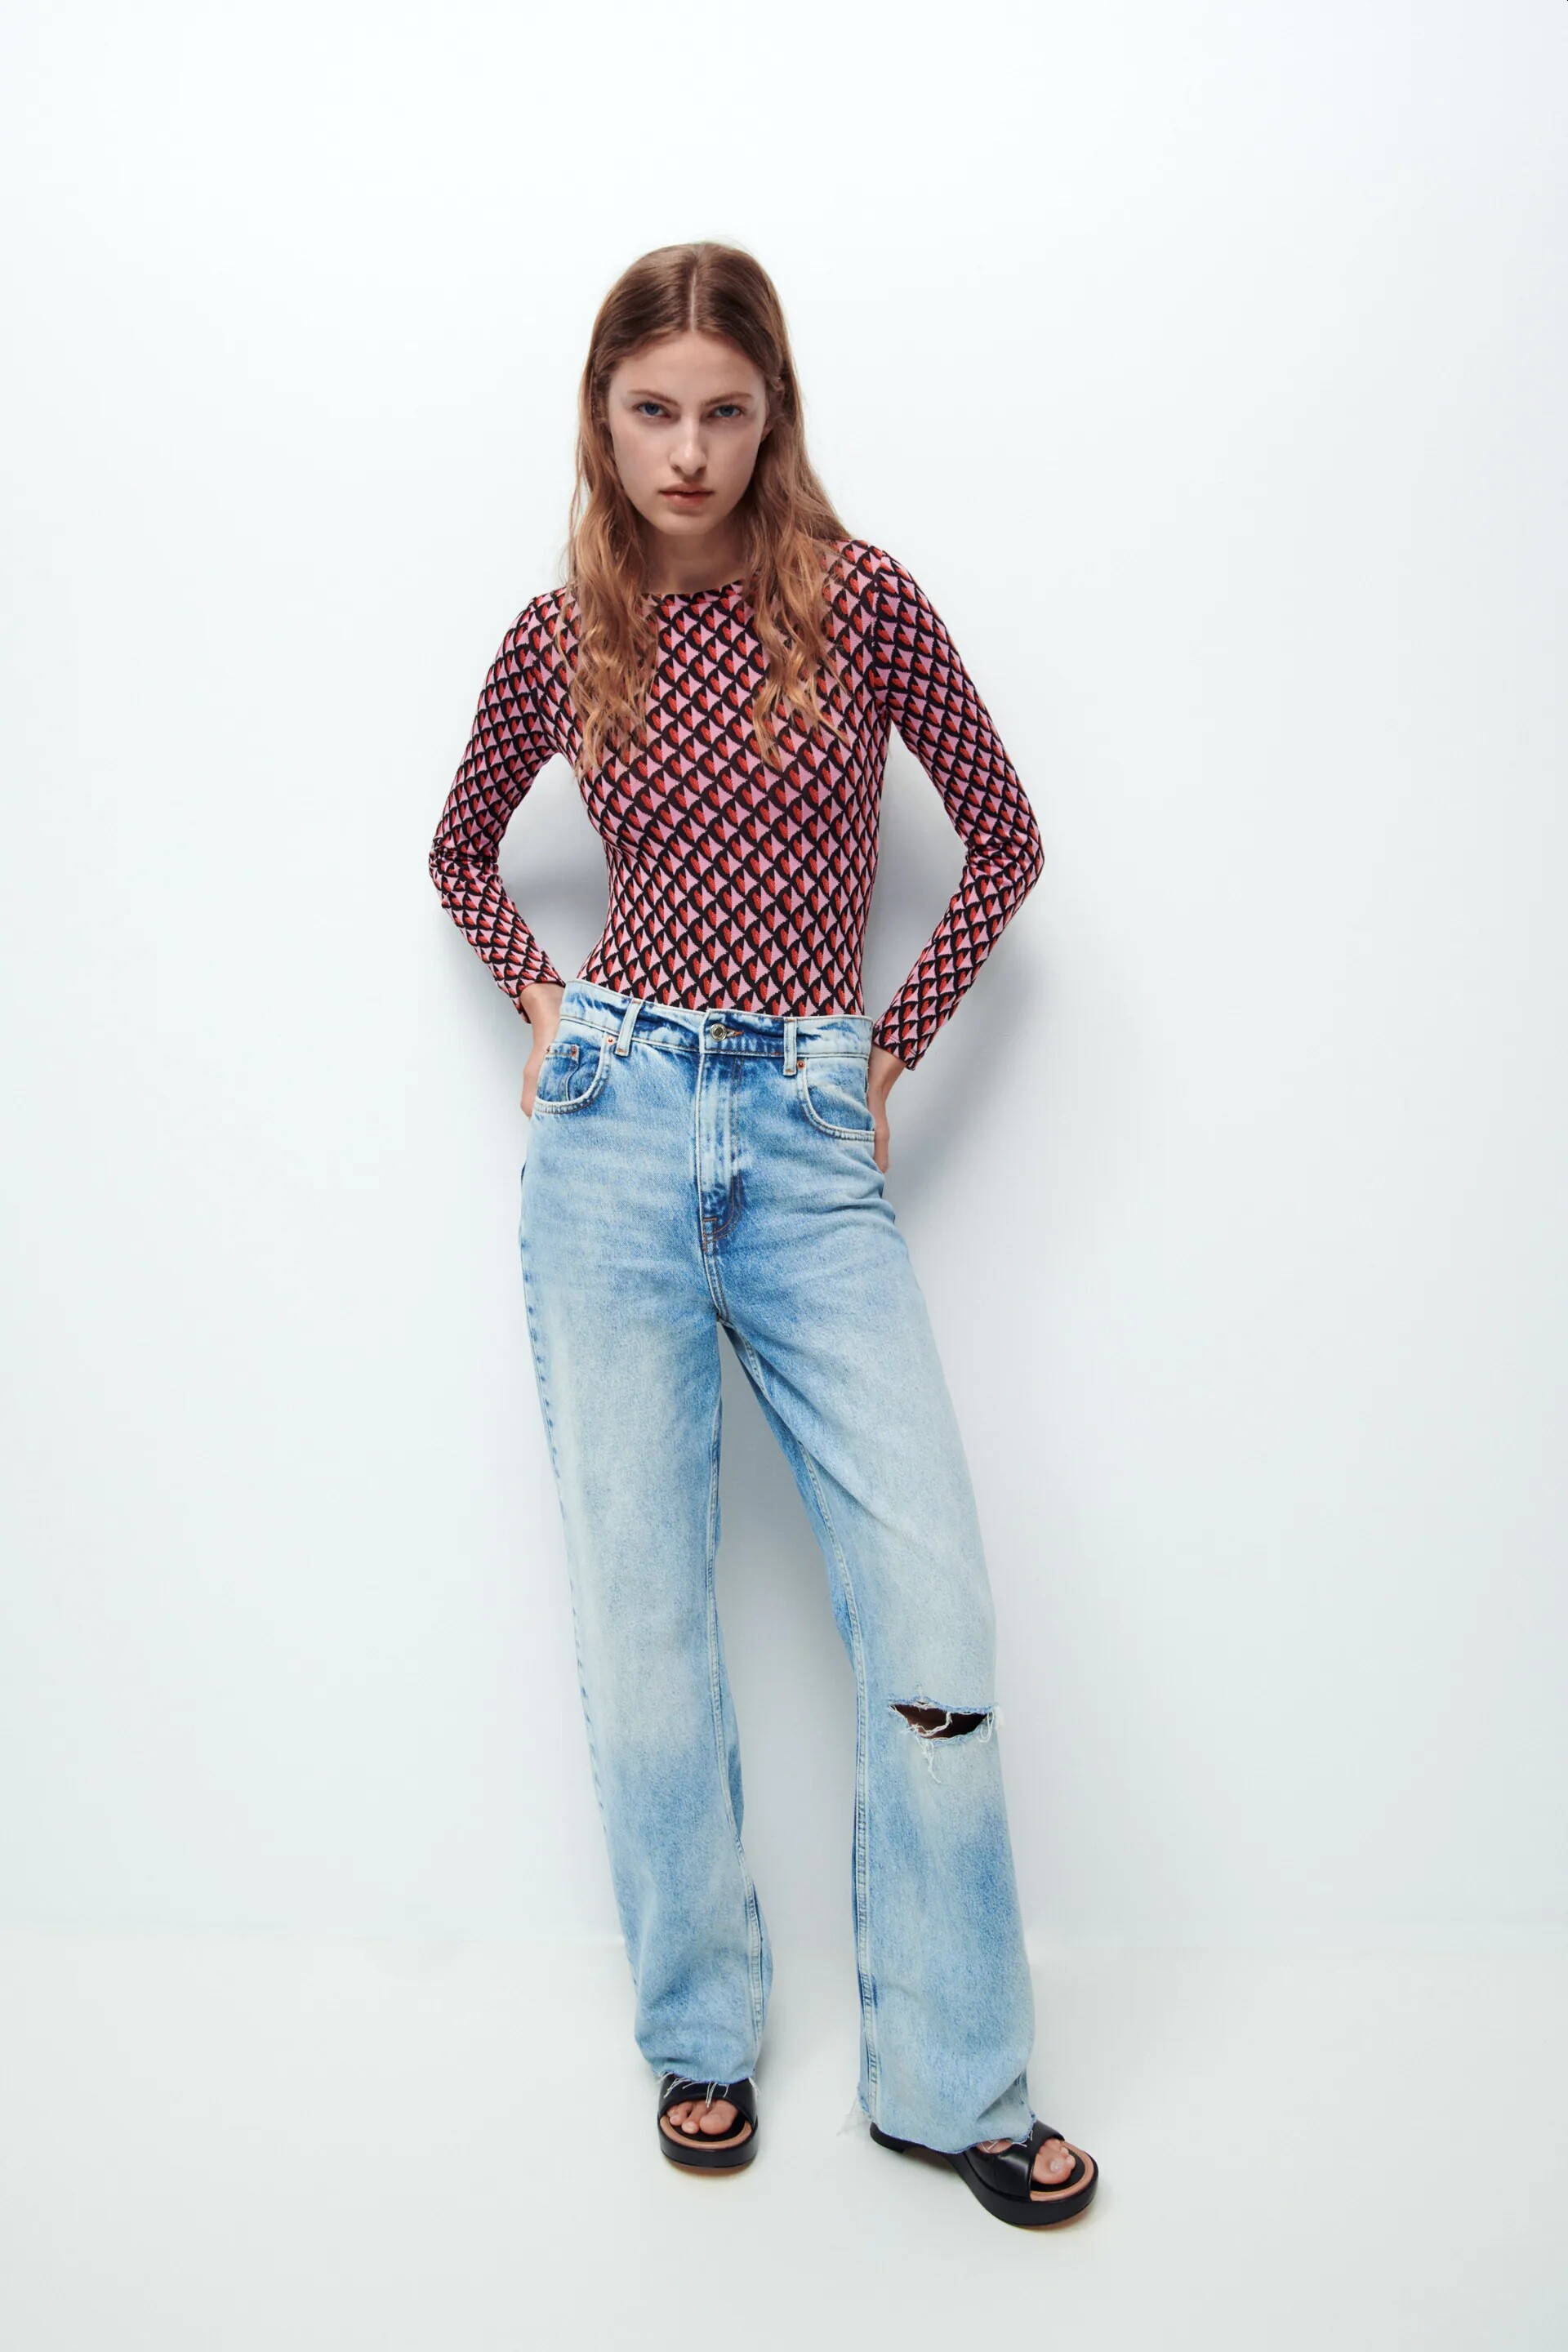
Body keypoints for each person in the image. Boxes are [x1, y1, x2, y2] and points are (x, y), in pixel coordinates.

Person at [427, 241, 1099, 2230]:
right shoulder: (566, 632)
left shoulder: (862, 601)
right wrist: (547, 1006)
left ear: (773, 412)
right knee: (646, 1630)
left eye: (726, 410)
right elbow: (460, 850)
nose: (690, 451)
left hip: (807, 1143)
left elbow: (1006, 839)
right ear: (602, 416)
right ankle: (700, 2030)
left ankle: (953, 2078)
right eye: (654, 410)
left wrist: (883, 1053)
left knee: (932, 1614)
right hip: (616, 1134)